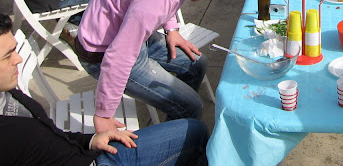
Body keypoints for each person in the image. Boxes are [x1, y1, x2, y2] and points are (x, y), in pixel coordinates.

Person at [75, 0, 241, 134]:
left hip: (131, 30)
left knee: (197, 64)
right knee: (192, 106)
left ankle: (175, 115)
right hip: (102, 51)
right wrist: (103, 113)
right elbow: (120, 54)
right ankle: (169, 139)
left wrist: (172, 29)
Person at [0, 13, 209, 166]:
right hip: (98, 161)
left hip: (89, 151)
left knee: (194, 128)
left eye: (14, 51)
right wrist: (103, 111)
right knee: (193, 124)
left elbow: (50, 134)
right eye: (7, 56)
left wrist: (90, 140)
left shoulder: (7, 94)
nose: (18, 59)